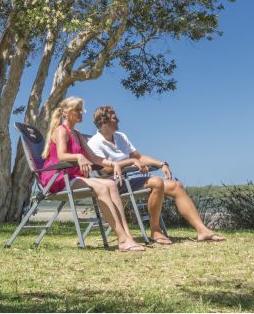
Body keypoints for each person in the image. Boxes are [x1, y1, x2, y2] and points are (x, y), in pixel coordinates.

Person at [87, 105, 225, 243]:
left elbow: (139, 157)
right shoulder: (95, 143)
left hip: (131, 180)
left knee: (176, 186)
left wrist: (161, 164)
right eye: (114, 118)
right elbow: (103, 170)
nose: (118, 120)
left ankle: (202, 230)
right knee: (157, 182)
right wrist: (130, 162)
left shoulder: (121, 137)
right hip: (114, 184)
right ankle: (155, 230)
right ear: (104, 121)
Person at [40, 96, 146, 252]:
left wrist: (114, 163)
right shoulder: (60, 131)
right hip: (58, 179)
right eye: (77, 109)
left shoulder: (77, 134)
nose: (81, 113)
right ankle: (122, 239)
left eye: (81, 109)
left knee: (110, 184)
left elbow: (95, 158)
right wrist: (78, 156)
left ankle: (127, 235)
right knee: (102, 188)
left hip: (73, 178)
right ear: (65, 112)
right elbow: (62, 155)